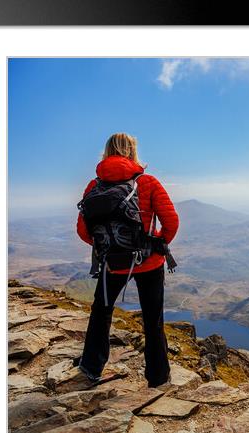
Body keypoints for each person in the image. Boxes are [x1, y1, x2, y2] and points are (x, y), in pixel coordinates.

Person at [75, 133, 179, 388]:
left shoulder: (94, 186)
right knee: (152, 319)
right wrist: (155, 244)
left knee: (101, 311)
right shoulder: (147, 182)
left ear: (107, 152)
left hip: (113, 263)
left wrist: (110, 248)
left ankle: (91, 366)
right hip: (150, 263)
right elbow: (171, 222)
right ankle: (157, 377)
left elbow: (83, 230)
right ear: (132, 151)